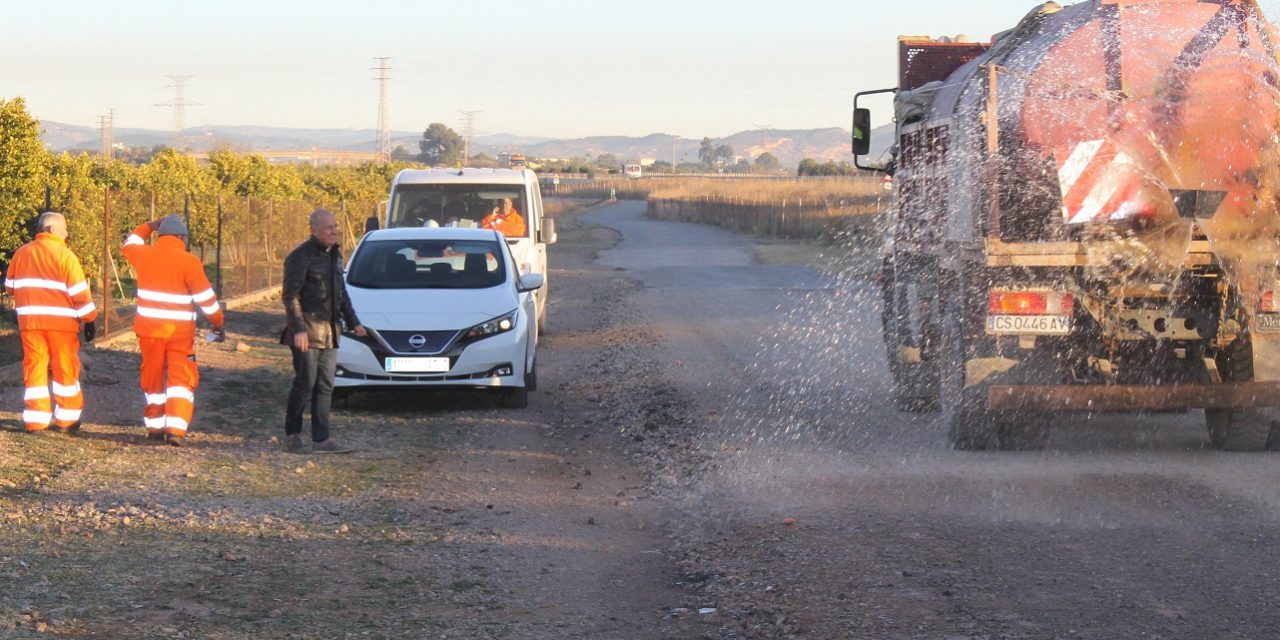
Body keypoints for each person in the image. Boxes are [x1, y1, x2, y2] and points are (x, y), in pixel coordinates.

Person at [122, 214, 225, 447]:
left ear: (162, 235)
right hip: (179, 334)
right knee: (181, 377)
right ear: (182, 237)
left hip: (149, 332)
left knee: (153, 378)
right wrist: (217, 323)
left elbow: (129, 243)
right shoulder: (188, 261)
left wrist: (149, 226)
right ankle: (175, 430)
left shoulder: (144, 255)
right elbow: (206, 300)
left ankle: (155, 428)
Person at [281, 209, 367, 454]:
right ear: (313, 230)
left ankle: (322, 439)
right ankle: (293, 434)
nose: (334, 231)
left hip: (330, 332)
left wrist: (354, 321)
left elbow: (340, 293)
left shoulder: (335, 256)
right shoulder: (300, 256)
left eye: (335, 226)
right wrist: (298, 329)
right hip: (307, 332)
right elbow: (290, 296)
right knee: (305, 383)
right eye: (328, 227)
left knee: (326, 385)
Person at [4, 212, 98, 433]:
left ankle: (36, 420)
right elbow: (79, 294)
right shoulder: (65, 256)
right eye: (64, 228)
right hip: (61, 326)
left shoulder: (21, 253)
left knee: (34, 367)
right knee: (65, 369)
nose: (66, 233)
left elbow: (10, 286)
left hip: (30, 323)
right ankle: (67, 420)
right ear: (52, 229)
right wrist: (90, 320)